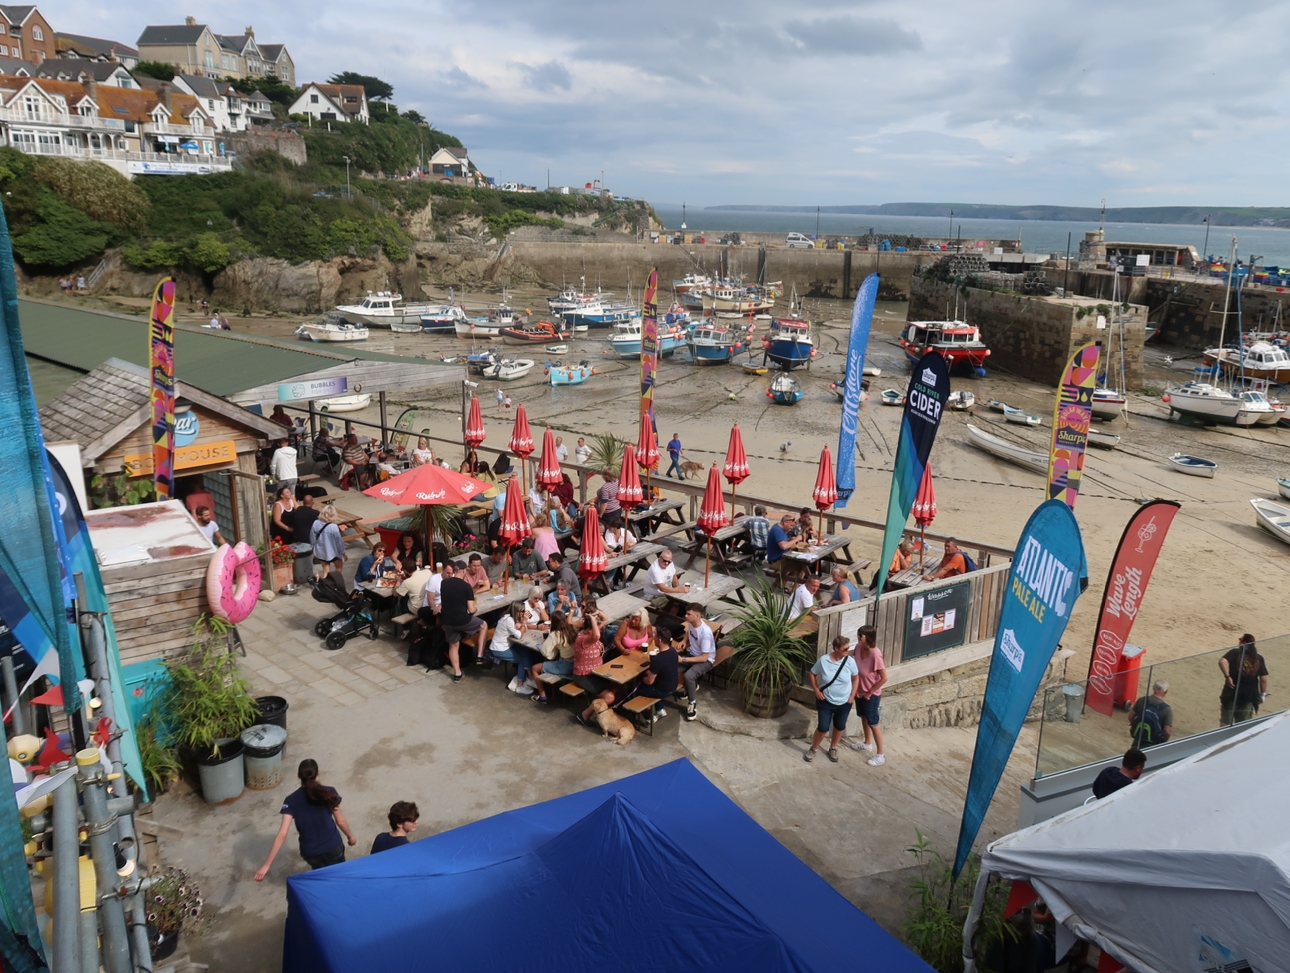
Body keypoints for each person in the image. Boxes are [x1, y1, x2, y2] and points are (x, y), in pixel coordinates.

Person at [255, 759, 356, 880]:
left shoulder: (290, 801)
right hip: (333, 847)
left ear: (298, 776)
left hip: (311, 852)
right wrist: (350, 836)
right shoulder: (329, 792)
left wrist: (266, 865)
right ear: (318, 773)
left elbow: (282, 834)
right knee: (340, 875)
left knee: (321, 877)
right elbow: (340, 821)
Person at [806, 636, 860, 763]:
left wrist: (852, 696)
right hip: (825, 701)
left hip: (844, 701)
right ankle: (814, 748)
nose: (848, 651)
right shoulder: (824, 660)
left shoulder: (850, 661)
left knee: (840, 726)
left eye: (848, 648)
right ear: (836, 648)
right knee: (823, 727)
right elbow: (812, 673)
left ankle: (833, 747)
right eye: (845, 649)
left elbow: (856, 678)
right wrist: (816, 690)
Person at [618, 624, 681, 724]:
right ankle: (660, 709)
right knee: (650, 683)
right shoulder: (673, 651)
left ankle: (648, 717)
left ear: (659, 640)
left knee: (632, 689)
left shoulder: (658, 659)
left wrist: (640, 679)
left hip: (663, 690)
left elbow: (649, 681)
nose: (654, 638)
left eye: (655, 637)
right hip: (673, 685)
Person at [848, 626, 888, 766]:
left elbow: (884, 678)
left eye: (861, 636)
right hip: (859, 691)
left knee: (873, 723)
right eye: (858, 635)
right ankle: (867, 743)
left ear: (868, 638)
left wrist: (870, 692)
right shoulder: (859, 647)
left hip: (871, 694)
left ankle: (880, 755)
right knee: (863, 717)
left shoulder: (876, 654)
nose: (859, 638)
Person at [439, 560, 483, 681]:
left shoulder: (444, 583)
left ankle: (457, 673)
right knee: (484, 625)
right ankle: (479, 655)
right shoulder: (466, 586)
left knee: (453, 646)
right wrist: (475, 608)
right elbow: (471, 609)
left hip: (447, 620)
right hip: (463, 621)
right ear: (464, 570)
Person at [574, 611, 617, 725]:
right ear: (588, 630)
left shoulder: (591, 633)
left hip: (597, 672)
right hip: (584, 675)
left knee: (617, 683)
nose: (598, 629)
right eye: (595, 627)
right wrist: (592, 620)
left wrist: (596, 614)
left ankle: (604, 709)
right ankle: (584, 714)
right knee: (610, 697)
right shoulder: (583, 639)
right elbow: (597, 635)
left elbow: (605, 619)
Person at [529, 611, 580, 703]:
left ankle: (542, 696)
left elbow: (545, 652)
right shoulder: (572, 629)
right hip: (576, 662)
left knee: (534, 668)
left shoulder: (555, 634)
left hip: (565, 665)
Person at [488, 603, 539, 694]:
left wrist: (522, 623)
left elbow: (519, 628)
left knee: (525, 652)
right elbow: (519, 635)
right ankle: (520, 685)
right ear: (516, 611)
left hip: (507, 645)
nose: (524, 613)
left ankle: (529, 678)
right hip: (500, 649)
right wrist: (523, 623)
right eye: (522, 611)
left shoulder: (508, 617)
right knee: (521, 660)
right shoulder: (509, 620)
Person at [1219, 634, 1268, 725]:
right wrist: (1262, 695)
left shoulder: (1235, 653)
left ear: (1244, 643)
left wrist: (1227, 677)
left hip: (1231, 693)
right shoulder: (1259, 658)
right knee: (1242, 725)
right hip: (1248, 695)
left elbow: (1222, 662)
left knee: (1225, 722)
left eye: (1240, 639)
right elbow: (1263, 679)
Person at [679, 606, 716, 721]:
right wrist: (684, 641)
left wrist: (683, 660)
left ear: (697, 616)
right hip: (693, 655)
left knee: (688, 676)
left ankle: (692, 703)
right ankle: (691, 686)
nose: (686, 616)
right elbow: (689, 632)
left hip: (706, 660)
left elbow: (704, 658)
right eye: (686, 613)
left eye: (688, 614)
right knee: (673, 668)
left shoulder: (705, 634)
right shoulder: (691, 623)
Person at [1129, 680, 1174, 747]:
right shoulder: (1167, 709)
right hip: (1153, 743)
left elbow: (1130, 716)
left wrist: (1135, 727)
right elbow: (1167, 732)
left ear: (1153, 688)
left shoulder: (1142, 700)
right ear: (1166, 691)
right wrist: (1162, 741)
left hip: (1138, 739)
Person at [310, 506, 346, 579]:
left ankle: (326, 585)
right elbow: (339, 542)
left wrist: (313, 549)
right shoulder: (334, 527)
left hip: (320, 552)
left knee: (326, 571)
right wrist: (343, 553)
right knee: (338, 567)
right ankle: (335, 581)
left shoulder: (315, 523)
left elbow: (312, 537)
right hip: (332, 553)